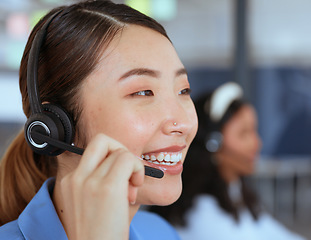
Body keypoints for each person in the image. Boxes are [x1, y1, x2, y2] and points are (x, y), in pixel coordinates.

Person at [0, 1, 198, 239]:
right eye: (143, 92)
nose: (183, 123)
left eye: (183, 90)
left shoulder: (159, 232)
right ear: (54, 127)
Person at [149, 82, 305, 240]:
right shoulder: (204, 215)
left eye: (254, 131)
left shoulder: (236, 193)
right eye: (244, 133)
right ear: (213, 144)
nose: (257, 143)